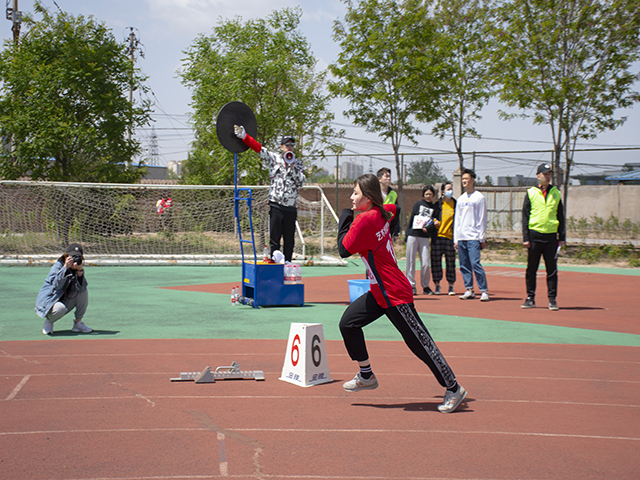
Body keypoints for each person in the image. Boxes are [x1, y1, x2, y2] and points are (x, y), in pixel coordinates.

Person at [337, 173, 467, 414]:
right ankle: (366, 375)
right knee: (348, 324)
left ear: (367, 197)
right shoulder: (382, 211)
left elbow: (343, 250)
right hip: (379, 293)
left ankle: (453, 387)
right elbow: (393, 209)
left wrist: (345, 215)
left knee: (420, 343)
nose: (351, 197)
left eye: (355, 193)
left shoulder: (364, 220)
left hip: (395, 294)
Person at [234, 125, 306, 262]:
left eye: (292, 144)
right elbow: (259, 149)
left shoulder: (298, 164)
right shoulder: (274, 159)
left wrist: (292, 168)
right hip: (276, 205)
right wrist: (245, 136)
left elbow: (302, 182)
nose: (290, 147)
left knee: (289, 239)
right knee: (274, 238)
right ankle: (275, 264)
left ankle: (288, 265)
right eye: (287, 144)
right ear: (281, 147)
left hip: (290, 208)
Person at [521, 163, 566, 310]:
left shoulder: (556, 193)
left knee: (552, 269)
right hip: (535, 235)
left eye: (549, 174)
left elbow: (561, 216)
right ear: (538, 176)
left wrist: (562, 236)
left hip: (551, 237)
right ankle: (530, 298)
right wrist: (526, 237)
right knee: (531, 269)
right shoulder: (531, 192)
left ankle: (552, 299)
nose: (547, 177)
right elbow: (525, 217)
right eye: (545, 174)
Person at [36, 243, 92, 335]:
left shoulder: (77, 268)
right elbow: (56, 286)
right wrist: (65, 268)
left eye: (78, 257)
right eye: (72, 256)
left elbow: (82, 287)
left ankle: (78, 323)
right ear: (66, 256)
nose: (75, 260)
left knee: (83, 291)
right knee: (60, 308)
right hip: (49, 303)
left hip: (64, 299)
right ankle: (49, 322)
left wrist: (80, 272)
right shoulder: (58, 266)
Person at [454, 168, 490, 301]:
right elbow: (457, 219)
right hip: (462, 237)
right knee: (464, 264)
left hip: (473, 237)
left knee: (475, 263)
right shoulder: (461, 199)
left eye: (467, 179)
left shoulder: (479, 197)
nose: (464, 181)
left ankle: (484, 290)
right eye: (463, 179)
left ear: (473, 180)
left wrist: (481, 237)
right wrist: (456, 239)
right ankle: (469, 289)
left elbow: (482, 218)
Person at [405, 185, 440, 295]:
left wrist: (428, 228)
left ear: (433, 195)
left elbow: (434, 223)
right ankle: (411, 285)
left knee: (425, 263)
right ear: (423, 195)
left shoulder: (434, 208)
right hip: (413, 234)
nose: (428, 196)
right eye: (426, 194)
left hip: (424, 237)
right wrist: (407, 235)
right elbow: (412, 219)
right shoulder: (418, 204)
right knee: (410, 261)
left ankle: (425, 286)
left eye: (430, 194)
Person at [431, 181, 457, 296]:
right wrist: (434, 221)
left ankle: (451, 286)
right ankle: (437, 285)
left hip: (450, 238)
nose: (450, 191)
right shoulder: (438, 204)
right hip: (437, 237)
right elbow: (431, 217)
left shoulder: (456, 204)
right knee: (436, 262)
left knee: (450, 262)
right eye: (448, 189)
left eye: (451, 189)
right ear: (442, 191)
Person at [377, 167, 401, 239]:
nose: (389, 178)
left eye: (389, 176)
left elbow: (396, 213)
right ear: (379, 179)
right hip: (376, 226)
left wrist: (396, 232)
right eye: (386, 176)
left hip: (388, 227)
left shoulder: (393, 194)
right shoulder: (374, 192)